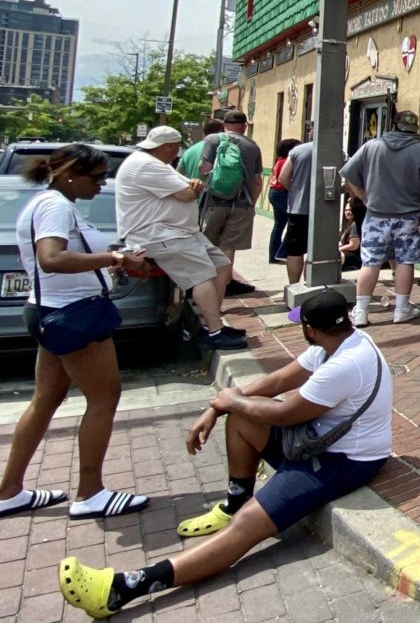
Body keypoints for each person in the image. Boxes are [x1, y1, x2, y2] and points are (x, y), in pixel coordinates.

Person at [57, 289, 392, 619]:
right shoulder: (339, 342)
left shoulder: (345, 366)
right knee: (242, 415)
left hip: (343, 463)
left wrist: (228, 401)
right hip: (318, 442)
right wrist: (218, 408)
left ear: (310, 329)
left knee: (248, 524)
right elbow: (275, 382)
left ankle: (122, 588)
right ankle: (236, 501)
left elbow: (282, 414)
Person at [2, 145, 155, 523]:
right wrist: (116, 258)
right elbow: (51, 259)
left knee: (45, 400)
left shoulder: (50, 203)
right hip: (72, 315)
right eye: (97, 176)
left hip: (51, 312)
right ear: (70, 174)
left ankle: (9, 491)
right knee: (104, 397)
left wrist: (113, 260)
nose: (103, 184)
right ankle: (90, 493)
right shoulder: (55, 206)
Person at [114, 127, 245, 351]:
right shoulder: (146, 165)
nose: (176, 154)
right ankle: (214, 332)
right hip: (161, 234)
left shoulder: (159, 163)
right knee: (201, 276)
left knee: (221, 265)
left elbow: (190, 184)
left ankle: (213, 322)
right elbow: (187, 192)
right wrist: (192, 189)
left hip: (182, 232)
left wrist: (192, 187)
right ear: (168, 147)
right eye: (175, 149)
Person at [340, 110, 420, 327]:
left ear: (394, 125)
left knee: (371, 261)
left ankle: (361, 311)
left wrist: (364, 196)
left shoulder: (371, 147)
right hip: (410, 216)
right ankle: (402, 308)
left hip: (376, 215)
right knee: (405, 261)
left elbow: (348, 174)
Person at [197, 110, 265, 296]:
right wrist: (251, 204)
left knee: (207, 246)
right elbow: (257, 181)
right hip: (242, 204)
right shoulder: (252, 146)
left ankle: (203, 293)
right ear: (244, 126)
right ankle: (221, 293)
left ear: (224, 124)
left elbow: (204, 169)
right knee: (228, 249)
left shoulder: (212, 139)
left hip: (214, 202)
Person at [279, 131, 317, 287]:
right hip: (325, 209)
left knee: (295, 250)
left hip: (298, 207)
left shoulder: (297, 151)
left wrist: (296, 190)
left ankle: (294, 285)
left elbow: (283, 178)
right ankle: (312, 283)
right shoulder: (336, 151)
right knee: (318, 250)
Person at [266, 138, 299, 264]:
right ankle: (282, 252)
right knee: (293, 222)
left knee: (279, 225)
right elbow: (284, 179)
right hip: (282, 193)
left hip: (274, 192)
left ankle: (274, 255)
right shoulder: (286, 161)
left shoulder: (279, 160)